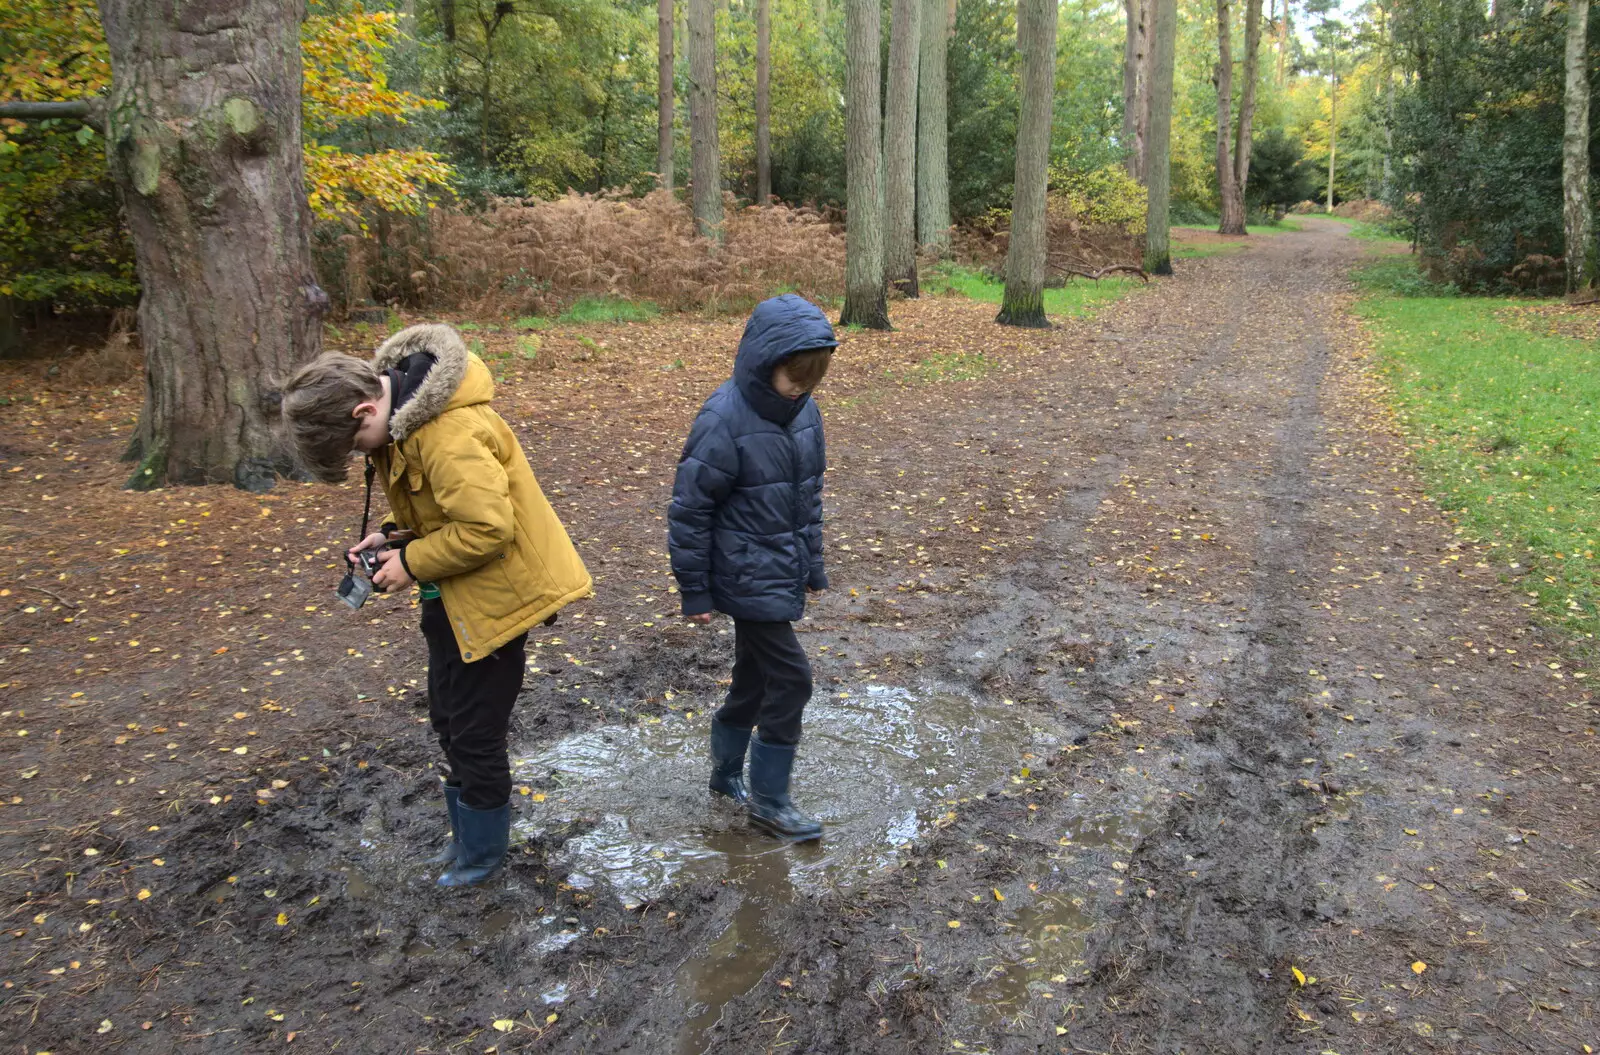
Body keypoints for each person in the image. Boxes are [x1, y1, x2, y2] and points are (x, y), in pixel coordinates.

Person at [280, 324, 592, 886]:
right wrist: (393, 538)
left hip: (496, 597)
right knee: (449, 718)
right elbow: (439, 509)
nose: (359, 456)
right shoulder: (407, 421)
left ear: (362, 411)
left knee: (475, 732)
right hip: (455, 595)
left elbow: (487, 528)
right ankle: (466, 842)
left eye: (354, 448)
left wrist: (414, 562)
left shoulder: (445, 431)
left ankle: (482, 857)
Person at [668, 294, 837, 842]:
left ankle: (723, 776)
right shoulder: (722, 419)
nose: (802, 388)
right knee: (792, 680)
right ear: (765, 363)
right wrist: (694, 590)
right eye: (794, 378)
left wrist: (812, 563)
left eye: (811, 379)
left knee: (754, 679)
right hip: (741, 573)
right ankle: (769, 802)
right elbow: (690, 510)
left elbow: (806, 496)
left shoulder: (805, 412)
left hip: (779, 568)